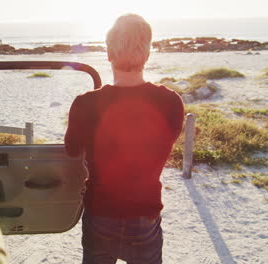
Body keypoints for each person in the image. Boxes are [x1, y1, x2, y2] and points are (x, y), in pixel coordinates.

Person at [64, 14, 184, 264]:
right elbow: (164, 144)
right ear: (147, 54)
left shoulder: (85, 103)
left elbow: (72, 149)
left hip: (100, 212)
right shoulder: (171, 102)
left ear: (108, 53)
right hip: (144, 214)